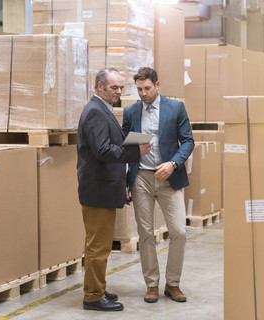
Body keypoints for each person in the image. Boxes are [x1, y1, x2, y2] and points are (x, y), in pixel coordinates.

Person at [77, 68, 152, 311]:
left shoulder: (102, 110)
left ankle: (97, 287)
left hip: (105, 189)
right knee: (98, 246)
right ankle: (92, 296)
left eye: (121, 87)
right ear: (99, 86)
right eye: (114, 88)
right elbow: (102, 150)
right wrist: (134, 151)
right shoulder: (95, 112)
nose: (119, 92)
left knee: (99, 244)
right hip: (98, 191)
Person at [122, 67, 195, 303]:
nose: (143, 93)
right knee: (145, 233)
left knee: (179, 231)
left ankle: (172, 284)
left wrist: (173, 163)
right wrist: (126, 182)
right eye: (139, 89)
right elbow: (125, 148)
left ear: (157, 85)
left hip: (168, 177)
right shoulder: (131, 112)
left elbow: (188, 141)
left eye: (147, 88)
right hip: (141, 178)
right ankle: (151, 284)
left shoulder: (175, 108)